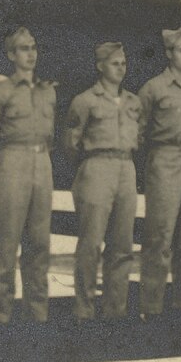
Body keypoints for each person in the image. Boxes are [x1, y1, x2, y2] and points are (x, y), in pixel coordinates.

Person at [0, 26, 58, 327]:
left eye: (34, 47)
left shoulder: (48, 92)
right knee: (7, 242)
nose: (31, 54)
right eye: (24, 48)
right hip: (11, 161)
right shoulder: (0, 93)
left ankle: (38, 313)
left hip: (42, 161)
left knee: (39, 242)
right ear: (12, 55)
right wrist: (0, 171)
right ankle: (3, 314)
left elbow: (51, 136)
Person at [61, 39, 142, 319]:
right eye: (114, 63)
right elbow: (71, 142)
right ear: (100, 66)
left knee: (122, 245)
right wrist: (88, 168)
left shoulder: (134, 102)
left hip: (125, 168)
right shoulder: (85, 101)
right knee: (91, 243)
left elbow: (139, 136)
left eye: (123, 63)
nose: (121, 68)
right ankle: (84, 308)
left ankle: (115, 311)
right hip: (96, 167)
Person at [138, 27, 181, 317]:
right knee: (160, 237)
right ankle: (151, 307)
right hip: (164, 158)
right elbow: (138, 132)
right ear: (168, 54)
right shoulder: (153, 89)